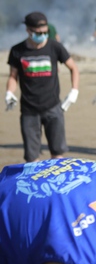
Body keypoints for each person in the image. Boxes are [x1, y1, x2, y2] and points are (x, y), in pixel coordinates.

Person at [5, 11, 79, 162]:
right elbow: (13, 76)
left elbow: (73, 68)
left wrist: (74, 90)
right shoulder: (17, 50)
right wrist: (9, 92)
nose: (42, 35)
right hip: (29, 110)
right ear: (28, 30)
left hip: (53, 107)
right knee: (32, 159)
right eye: (38, 33)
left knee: (57, 155)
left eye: (45, 32)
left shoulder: (55, 47)